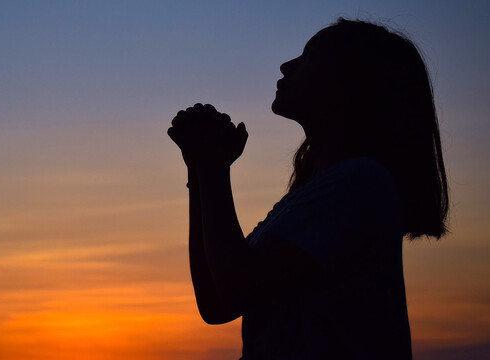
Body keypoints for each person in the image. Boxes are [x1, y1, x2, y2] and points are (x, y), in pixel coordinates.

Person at [167, 18, 449, 360]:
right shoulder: (315, 195)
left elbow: (235, 286)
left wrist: (210, 166)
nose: (287, 65)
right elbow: (216, 302)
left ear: (352, 85)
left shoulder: (359, 184)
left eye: (310, 56)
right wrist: (201, 172)